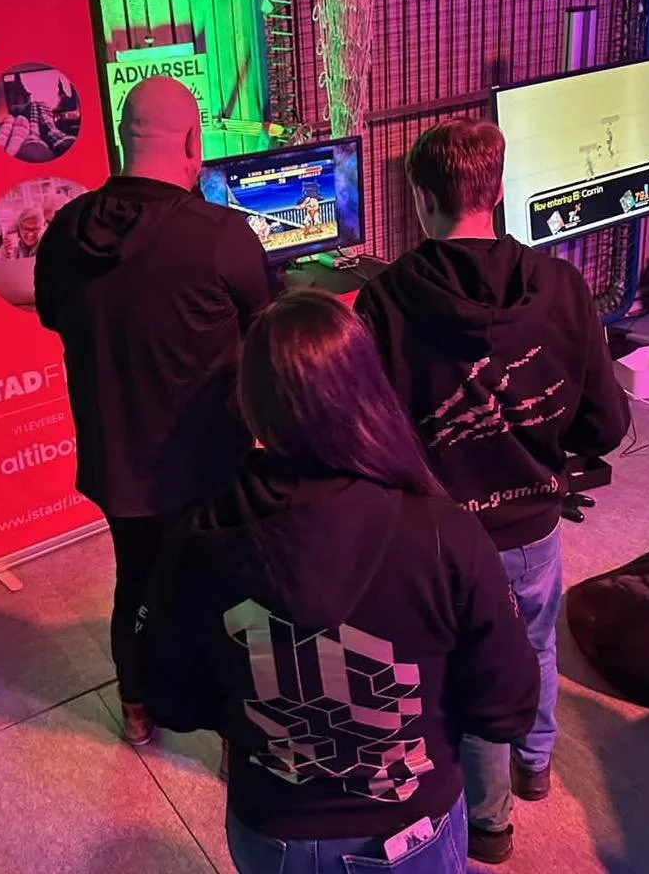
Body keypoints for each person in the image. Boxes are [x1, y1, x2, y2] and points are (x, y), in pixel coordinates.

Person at [138, 290, 540, 874]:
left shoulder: (195, 544)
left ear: (249, 404)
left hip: (271, 826)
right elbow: (507, 706)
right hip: (411, 827)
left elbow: (170, 698)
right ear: (368, 391)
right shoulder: (444, 534)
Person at [353, 119, 631, 865]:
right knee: (534, 641)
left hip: (436, 534)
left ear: (420, 198)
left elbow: (368, 434)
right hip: (534, 521)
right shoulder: (563, 285)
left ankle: (490, 823)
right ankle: (534, 766)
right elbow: (606, 424)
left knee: (460, 665)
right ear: (499, 191)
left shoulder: (384, 301)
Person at [34, 75, 276, 744]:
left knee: (136, 583)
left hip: (116, 460)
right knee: (230, 594)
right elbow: (265, 329)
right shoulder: (220, 235)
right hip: (211, 465)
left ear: (122, 139)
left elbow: (53, 315)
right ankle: (235, 738)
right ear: (193, 142)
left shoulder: (66, 229)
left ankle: (137, 709)